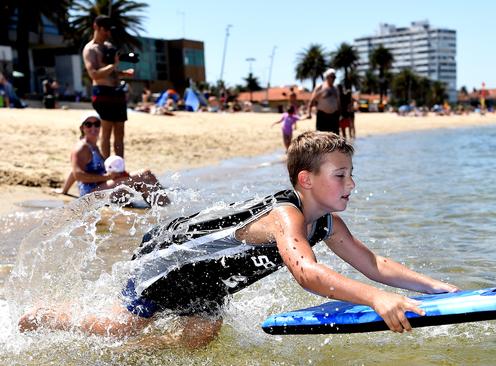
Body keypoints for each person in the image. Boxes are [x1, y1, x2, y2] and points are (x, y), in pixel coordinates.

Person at [19, 131, 458, 347]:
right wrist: (376, 299)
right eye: (340, 175)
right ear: (305, 180)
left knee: (201, 337)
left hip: (206, 279)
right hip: (169, 257)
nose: (351, 184)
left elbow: (371, 262)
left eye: (351, 174)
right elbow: (306, 272)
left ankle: (133, 354)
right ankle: (39, 316)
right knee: (124, 324)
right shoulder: (286, 215)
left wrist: (438, 289)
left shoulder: (327, 223)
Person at [61, 114, 169, 205]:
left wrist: (64, 191)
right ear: (82, 128)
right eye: (88, 124)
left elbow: (73, 170)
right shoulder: (81, 148)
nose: (93, 128)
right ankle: (167, 210)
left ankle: (161, 207)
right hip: (90, 196)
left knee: (146, 174)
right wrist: (108, 176)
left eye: (97, 124)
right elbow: (78, 174)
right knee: (145, 176)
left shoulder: (93, 146)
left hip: (100, 188)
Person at [83, 15, 134, 158]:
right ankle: (107, 168)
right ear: (96, 27)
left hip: (117, 92)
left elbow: (112, 72)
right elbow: (94, 74)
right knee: (106, 132)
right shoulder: (90, 49)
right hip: (102, 92)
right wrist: (113, 65)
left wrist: (124, 73)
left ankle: (119, 167)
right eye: (105, 30)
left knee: (120, 132)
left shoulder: (109, 47)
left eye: (109, 30)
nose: (108, 33)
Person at [307, 68, 340, 134]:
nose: (333, 79)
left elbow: (338, 102)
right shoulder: (320, 86)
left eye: (334, 77)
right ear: (327, 77)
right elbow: (312, 100)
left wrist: (340, 114)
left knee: (335, 137)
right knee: (322, 136)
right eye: (332, 77)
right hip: (322, 116)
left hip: (334, 116)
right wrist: (309, 113)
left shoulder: (335, 88)